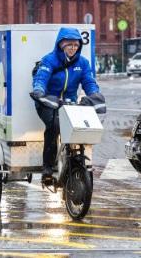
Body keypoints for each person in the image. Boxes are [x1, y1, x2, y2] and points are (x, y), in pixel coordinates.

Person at [30, 27, 103, 183]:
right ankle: (48, 167)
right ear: (61, 45)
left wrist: (95, 94)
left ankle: (74, 159)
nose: (73, 48)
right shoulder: (49, 60)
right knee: (54, 127)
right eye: (69, 45)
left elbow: (89, 82)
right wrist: (39, 91)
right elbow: (41, 78)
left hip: (70, 103)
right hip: (48, 102)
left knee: (79, 126)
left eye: (76, 45)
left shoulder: (83, 63)